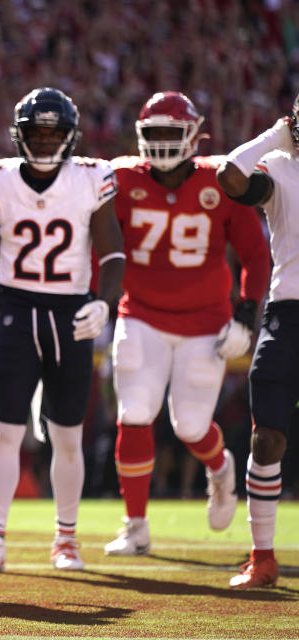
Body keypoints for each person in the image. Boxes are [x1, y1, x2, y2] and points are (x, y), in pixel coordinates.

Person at [103, 92, 271, 556]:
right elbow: (101, 240)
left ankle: (219, 467)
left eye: (170, 133)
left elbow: (255, 254)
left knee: (191, 426)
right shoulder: (120, 177)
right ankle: (135, 526)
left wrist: (246, 312)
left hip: (205, 322)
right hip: (140, 314)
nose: (159, 143)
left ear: (194, 136)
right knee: (134, 412)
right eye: (152, 134)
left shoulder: (222, 180)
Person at [0, 87, 124, 573]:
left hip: (71, 313)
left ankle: (66, 540)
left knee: (69, 434)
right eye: (37, 131)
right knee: (6, 430)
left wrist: (105, 304)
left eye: (54, 132)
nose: (44, 140)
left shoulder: (91, 179)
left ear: (70, 137)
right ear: (20, 134)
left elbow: (112, 252)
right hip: (16, 310)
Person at [216, 96, 299, 589]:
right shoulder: (281, 166)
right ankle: (262, 556)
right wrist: (273, 137)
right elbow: (230, 178)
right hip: (287, 313)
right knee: (266, 437)